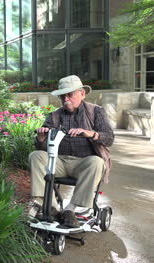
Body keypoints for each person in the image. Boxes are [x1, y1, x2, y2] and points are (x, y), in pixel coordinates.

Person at [28, 75, 114, 228]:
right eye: (63, 96)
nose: (66, 99)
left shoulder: (96, 112)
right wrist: (41, 139)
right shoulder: (54, 116)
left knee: (97, 162)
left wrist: (90, 133)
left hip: (83, 163)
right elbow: (41, 149)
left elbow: (109, 138)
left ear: (82, 94)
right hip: (59, 161)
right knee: (36, 156)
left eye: (70, 94)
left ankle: (70, 210)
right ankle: (52, 207)